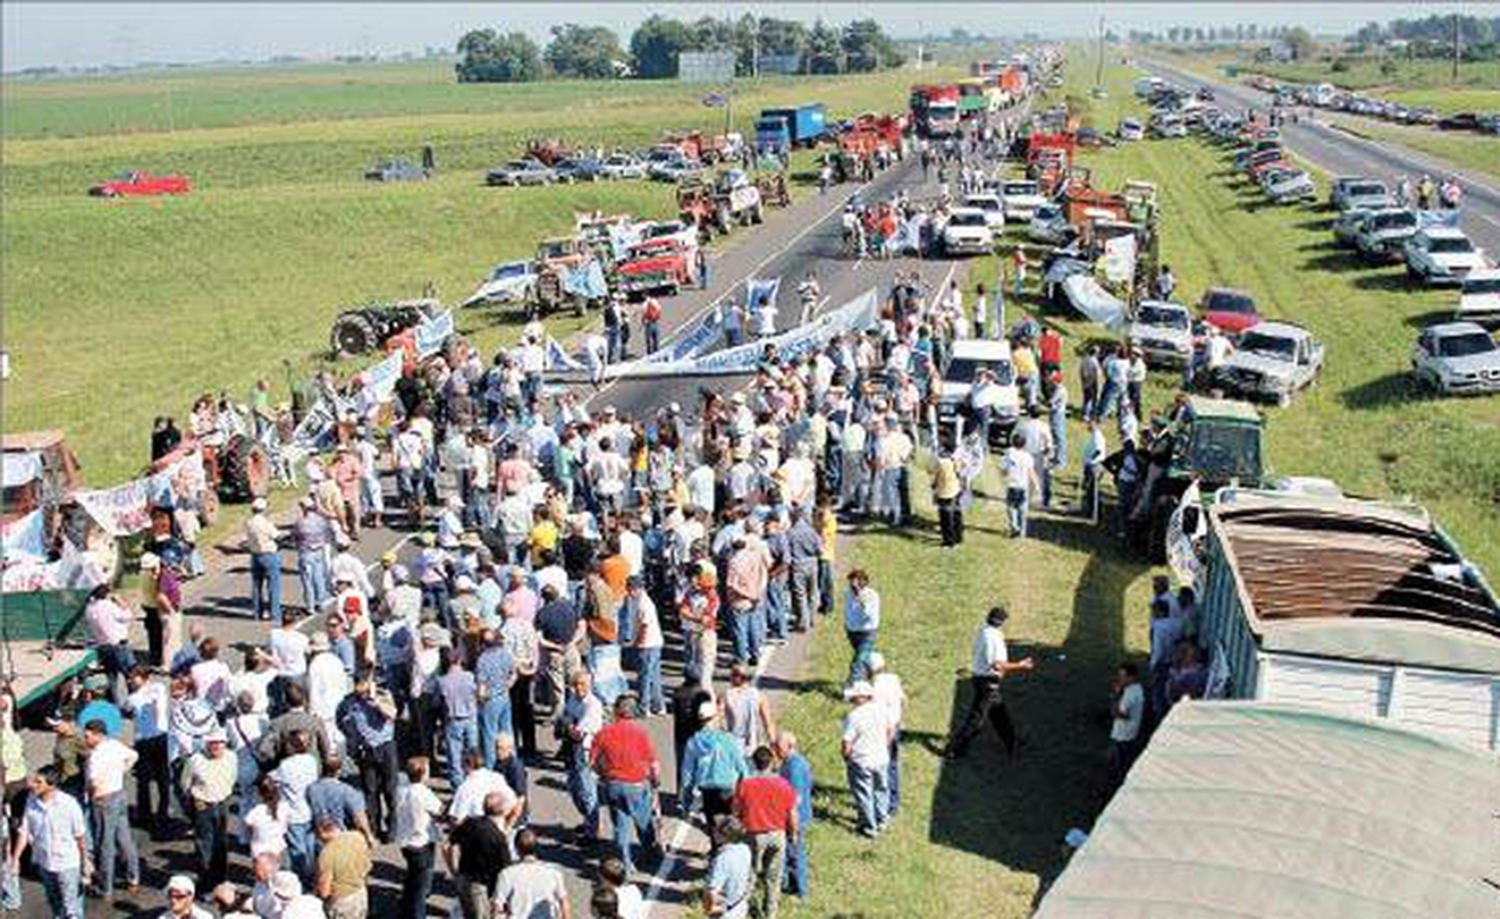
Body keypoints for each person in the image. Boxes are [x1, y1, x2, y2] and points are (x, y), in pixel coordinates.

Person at [943, 606, 1035, 759]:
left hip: (982, 679)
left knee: (999, 714)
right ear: (1001, 622)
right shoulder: (994, 638)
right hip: (988, 682)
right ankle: (953, 749)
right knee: (976, 721)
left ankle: (1011, 741)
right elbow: (997, 664)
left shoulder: (983, 631)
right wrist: (1021, 665)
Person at [590, 695, 661, 877]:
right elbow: (653, 762)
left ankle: (626, 864)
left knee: (621, 824)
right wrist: (655, 782)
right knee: (644, 820)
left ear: (615, 711)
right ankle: (651, 851)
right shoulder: (640, 733)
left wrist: (604, 775)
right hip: (637, 784)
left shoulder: (603, 733)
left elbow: (593, 762)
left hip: (614, 785)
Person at [9, 766, 88, 919]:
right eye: (34, 781)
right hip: (45, 862)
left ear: (51, 785)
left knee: (71, 908)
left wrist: (85, 862)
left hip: (67, 864)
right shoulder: (31, 801)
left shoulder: (69, 804)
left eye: (38, 782)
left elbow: (80, 836)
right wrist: (15, 859)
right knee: (54, 903)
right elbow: (24, 831)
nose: (32, 785)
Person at [733, 746, 799, 919]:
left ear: (754, 763)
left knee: (749, 875)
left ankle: (741, 910)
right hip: (777, 834)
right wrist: (793, 834)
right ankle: (770, 913)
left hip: (753, 835)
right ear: (772, 762)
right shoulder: (783, 784)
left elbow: (735, 810)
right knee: (773, 877)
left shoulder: (746, 784)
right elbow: (792, 813)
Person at [83, 718, 140, 897]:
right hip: (119, 794)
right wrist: (121, 771)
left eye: (87, 736)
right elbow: (133, 756)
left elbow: (92, 781)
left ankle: (105, 887)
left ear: (97, 735)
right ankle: (133, 877)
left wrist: (91, 793)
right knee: (124, 839)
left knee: (105, 844)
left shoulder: (95, 756)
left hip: (103, 800)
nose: (86, 740)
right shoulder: (115, 745)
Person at [444, 792, 512, 919]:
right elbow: (505, 871)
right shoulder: (498, 837)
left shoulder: (469, 823)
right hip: (480, 887)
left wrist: (453, 870)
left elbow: (447, 846)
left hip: (463, 878)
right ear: (502, 810)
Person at [182, 729, 236, 891]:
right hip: (203, 805)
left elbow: (233, 778)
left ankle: (221, 879)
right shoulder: (195, 760)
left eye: (220, 743)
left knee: (221, 843)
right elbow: (185, 783)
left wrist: (225, 794)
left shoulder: (231, 757)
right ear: (206, 744)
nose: (217, 746)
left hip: (222, 802)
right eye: (213, 743)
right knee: (204, 844)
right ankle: (206, 882)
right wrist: (196, 799)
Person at [392, 756, 443, 919]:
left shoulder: (401, 789)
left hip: (405, 841)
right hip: (421, 843)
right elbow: (440, 810)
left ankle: (405, 910)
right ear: (422, 773)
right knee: (420, 887)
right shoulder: (423, 792)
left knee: (411, 879)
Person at [840, 681, 892, 838]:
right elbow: (890, 729)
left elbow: (846, 741)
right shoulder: (882, 710)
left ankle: (869, 826)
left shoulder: (854, 716)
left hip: (861, 760)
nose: (852, 700)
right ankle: (882, 819)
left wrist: (847, 757)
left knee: (864, 793)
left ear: (862, 697)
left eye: (854, 697)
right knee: (881, 789)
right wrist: (885, 745)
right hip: (881, 758)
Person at [494, 828, 572, 919]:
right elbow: (564, 903)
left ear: (516, 848)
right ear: (536, 847)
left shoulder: (507, 874)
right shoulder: (553, 872)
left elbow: (497, 907)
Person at [866, 653, 906, 818]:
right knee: (894, 766)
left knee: (883, 766)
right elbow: (904, 700)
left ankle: (885, 804)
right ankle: (894, 801)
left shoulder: (874, 688)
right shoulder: (893, 678)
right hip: (896, 726)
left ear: (870, 669)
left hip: (884, 731)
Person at [773, 733, 813, 898]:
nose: (776, 751)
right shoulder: (791, 762)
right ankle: (789, 884)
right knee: (790, 851)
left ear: (790, 746)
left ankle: (801, 890)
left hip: (795, 817)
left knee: (795, 852)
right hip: (793, 815)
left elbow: (795, 799)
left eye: (779, 748)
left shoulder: (794, 767)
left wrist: (792, 824)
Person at [314, 816, 372, 919]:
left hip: (342, 900)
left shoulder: (327, 854)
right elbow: (368, 866)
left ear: (322, 832)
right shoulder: (357, 836)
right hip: (361, 893)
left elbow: (324, 892)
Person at [702, 817, 753, 919]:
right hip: (740, 904)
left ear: (724, 836)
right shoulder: (745, 849)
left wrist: (709, 910)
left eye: (716, 829)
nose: (713, 831)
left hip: (725, 911)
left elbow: (712, 892)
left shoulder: (722, 859)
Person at [245, 496, 284, 623]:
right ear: (263, 509)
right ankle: (275, 613)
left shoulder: (249, 522)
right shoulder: (265, 523)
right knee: (274, 585)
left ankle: (257, 612)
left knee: (257, 585)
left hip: (255, 555)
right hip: (269, 554)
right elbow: (276, 536)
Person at [1108, 663, 1145, 792]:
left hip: (1122, 736)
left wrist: (1114, 696)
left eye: (1123, 676)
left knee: (1118, 766)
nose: (1120, 679)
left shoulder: (1131, 695)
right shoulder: (1136, 689)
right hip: (1129, 734)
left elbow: (1118, 714)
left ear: (1132, 677)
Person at [843, 569, 880, 686]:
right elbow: (848, 610)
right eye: (850, 583)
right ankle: (875, 672)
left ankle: (850, 688)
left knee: (857, 662)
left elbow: (868, 615)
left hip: (867, 632)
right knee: (864, 657)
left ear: (863, 582)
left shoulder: (872, 595)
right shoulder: (848, 593)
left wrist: (861, 598)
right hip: (852, 631)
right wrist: (847, 624)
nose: (852, 587)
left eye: (854, 584)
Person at [1000, 434, 1039, 539]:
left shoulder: (1008, 453)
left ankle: (1014, 526)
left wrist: (1004, 473)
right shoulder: (1028, 457)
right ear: (1024, 444)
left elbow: (1004, 470)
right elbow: (1031, 472)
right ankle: (1022, 532)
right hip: (1023, 486)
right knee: (1023, 509)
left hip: (1012, 485)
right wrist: (1036, 485)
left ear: (1012, 442)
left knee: (1011, 507)